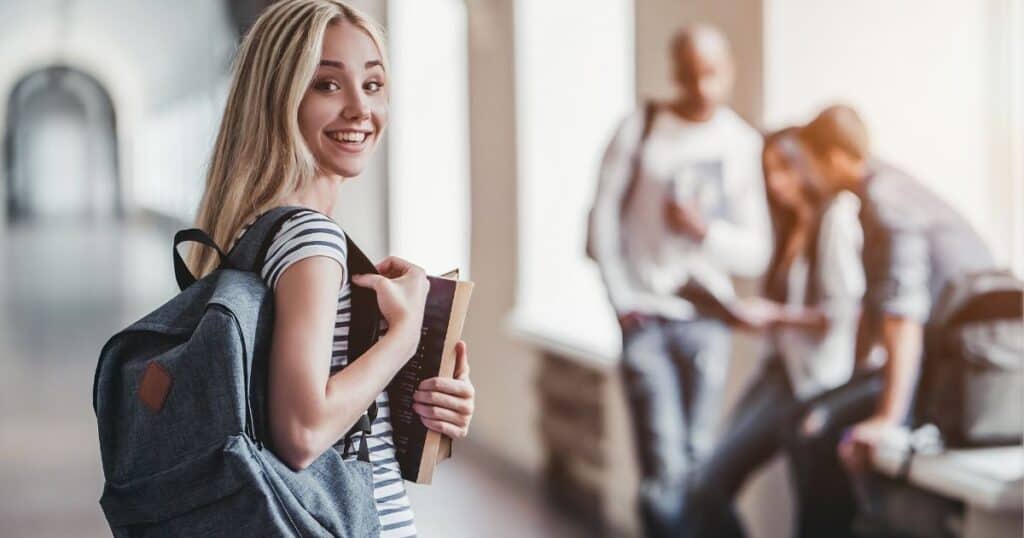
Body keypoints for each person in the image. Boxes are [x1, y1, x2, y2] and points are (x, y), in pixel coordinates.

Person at [186, 2, 476, 536]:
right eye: (327, 85)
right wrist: (404, 338)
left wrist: (419, 410)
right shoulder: (310, 238)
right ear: (279, 94)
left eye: (373, 84)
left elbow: (302, 415)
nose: (359, 109)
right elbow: (301, 431)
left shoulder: (254, 232)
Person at [589, 23, 772, 536]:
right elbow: (602, 218)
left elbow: (756, 252)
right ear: (675, 72)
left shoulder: (741, 144)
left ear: (728, 71)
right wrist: (621, 299)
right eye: (690, 75)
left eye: (711, 74)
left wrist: (705, 231)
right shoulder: (641, 128)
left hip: (707, 321)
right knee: (663, 466)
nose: (702, 88)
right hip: (645, 316)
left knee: (698, 461)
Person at [796, 105, 995, 522]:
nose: (806, 179)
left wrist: (887, 418)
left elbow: (904, 317)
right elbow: (877, 308)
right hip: (949, 361)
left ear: (833, 158)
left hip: (968, 369)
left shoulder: (888, 202)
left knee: (818, 433)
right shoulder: (879, 193)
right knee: (810, 420)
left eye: (808, 165)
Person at [681, 128, 867, 537]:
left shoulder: (835, 218)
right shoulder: (786, 229)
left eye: (784, 169)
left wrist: (777, 316)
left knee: (814, 514)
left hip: (814, 385)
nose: (776, 182)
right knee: (707, 483)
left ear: (806, 165)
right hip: (778, 372)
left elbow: (842, 312)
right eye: (768, 172)